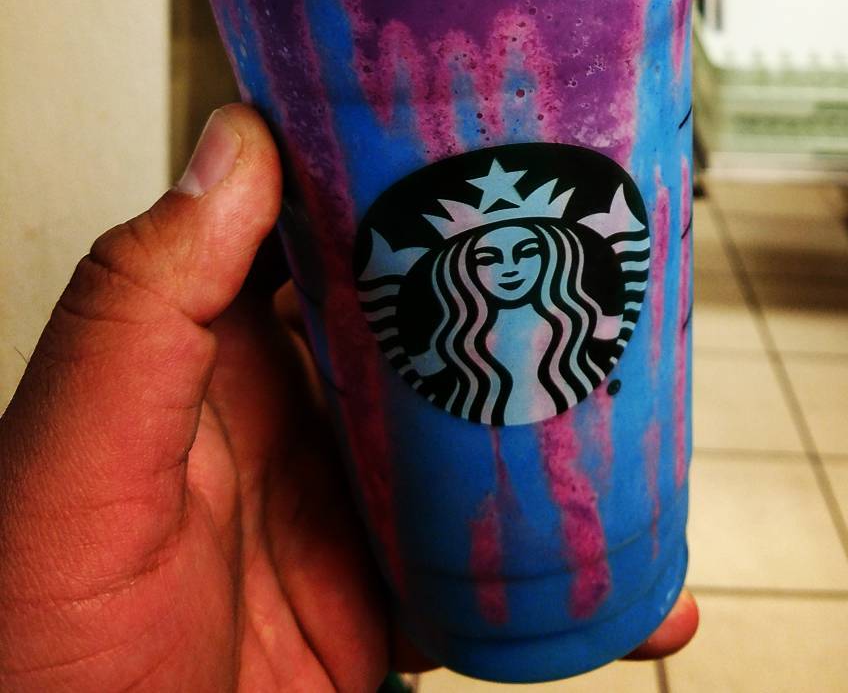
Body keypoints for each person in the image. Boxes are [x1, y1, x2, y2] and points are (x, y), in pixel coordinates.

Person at [0, 105, 697, 690]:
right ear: (462, 268)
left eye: (528, 253)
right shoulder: (454, 348)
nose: (509, 269)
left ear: (557, 255)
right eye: (489, 255)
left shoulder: (574, 329)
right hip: (372, 573)